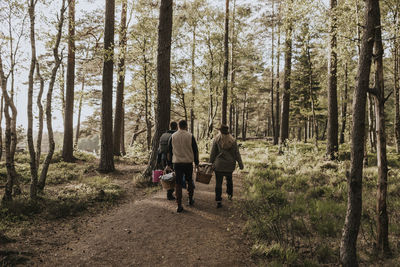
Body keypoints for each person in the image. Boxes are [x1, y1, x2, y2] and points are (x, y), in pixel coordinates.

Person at [168, 120, 199, 213]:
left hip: (177, 163)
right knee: (189, 181)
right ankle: (190, 199)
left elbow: (169, 151)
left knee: (178, 183)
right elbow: (195, 150)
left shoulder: (172, 136)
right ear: (186, 126)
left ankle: (179, 205)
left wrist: (169, 163)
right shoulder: (190, 136)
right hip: (188, 163)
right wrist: (196, 162)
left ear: (178, 126)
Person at [209, 124, 244, 208]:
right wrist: (240, 163)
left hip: (219, 164)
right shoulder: (232, 140)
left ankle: (218, 200)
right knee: (229, 180)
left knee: (218, 182)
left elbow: (213, 153)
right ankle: (229, 195)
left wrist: (210, 163)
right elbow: (237, 153)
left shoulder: (216, 139)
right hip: (230, 164)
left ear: (220, 131)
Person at [157, 121, 178, 200]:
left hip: (163, 157)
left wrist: (158, 160)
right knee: (173, 176)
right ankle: (171, 193)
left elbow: (159, 149)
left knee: (167, 175)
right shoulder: (175, 135)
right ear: (176, 127)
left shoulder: (163, 135)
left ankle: (169, 192)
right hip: (172, 158)